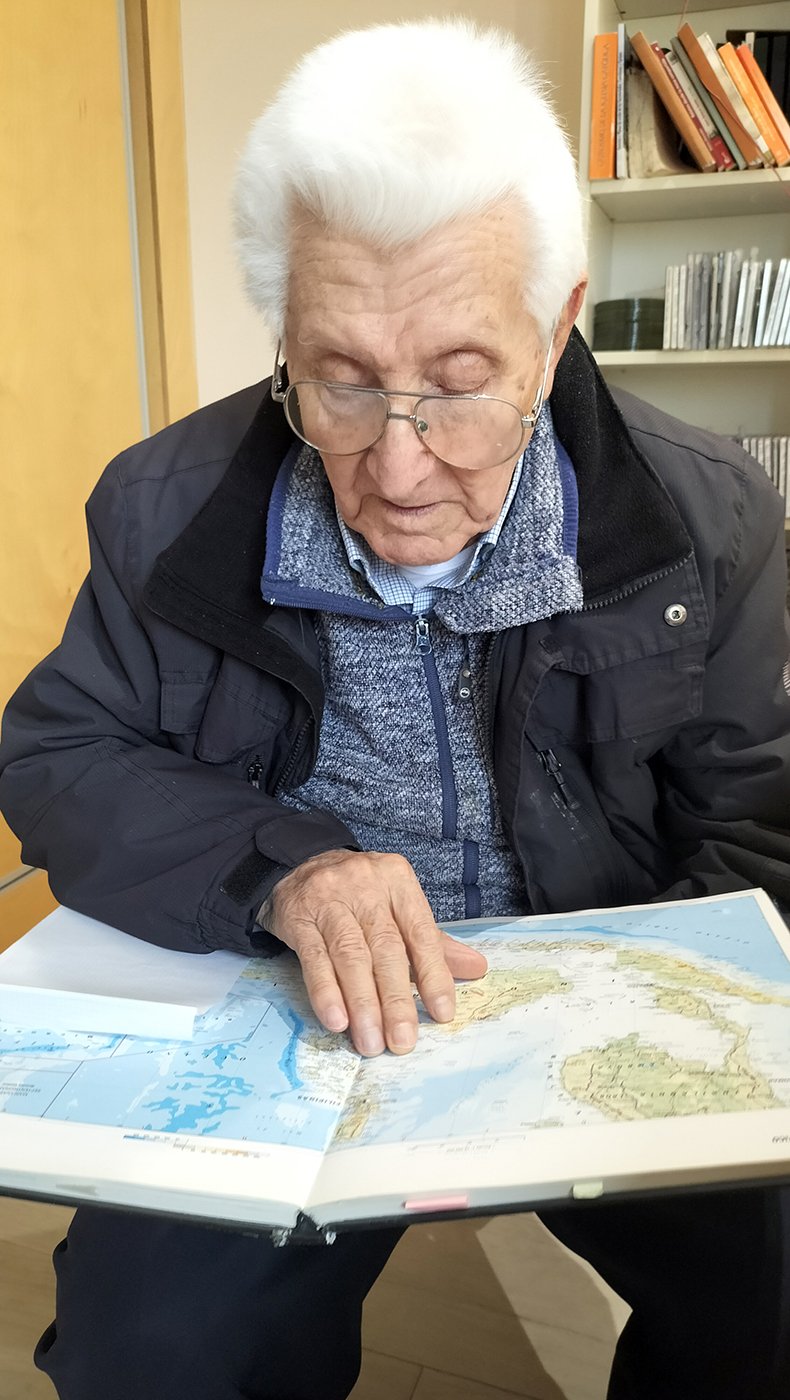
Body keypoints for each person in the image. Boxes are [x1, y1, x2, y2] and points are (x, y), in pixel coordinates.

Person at [1, 17, 789, 1400]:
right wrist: (284, 868)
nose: (401, 466)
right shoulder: (164, 507)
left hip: (598, 1005)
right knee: (152, 1350)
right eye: (342, 382)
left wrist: (626, 1015)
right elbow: (61, 753)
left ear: (556, 328)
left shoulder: (707, 513)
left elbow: (759, 826)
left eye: (462, 386)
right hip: (288, 1010)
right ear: (285, 339)